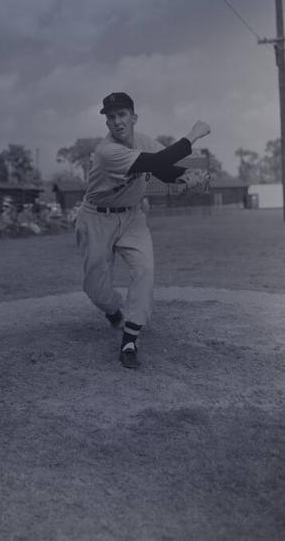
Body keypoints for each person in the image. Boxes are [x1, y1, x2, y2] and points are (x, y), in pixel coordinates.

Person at [75, 92, 211, 369]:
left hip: (133, 217)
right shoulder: (106, 151)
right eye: (111, 117)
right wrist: (193, 135)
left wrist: (184, 176)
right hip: (96, 218)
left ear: (133, 117)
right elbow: (156, 163)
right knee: (96, 289)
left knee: (145, 271)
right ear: (107, 123)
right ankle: (112, 309)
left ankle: (130, 339)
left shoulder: (144, 141)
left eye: (122, 114)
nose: (117, 121)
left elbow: (163, 169)